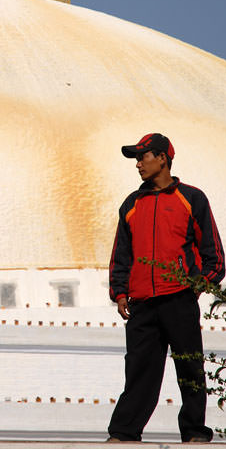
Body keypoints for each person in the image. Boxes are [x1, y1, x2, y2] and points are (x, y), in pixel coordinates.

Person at [108, 133, 225, 443]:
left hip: (179, 300)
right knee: (139, 372)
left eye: (143, 156)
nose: (137, 164)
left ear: (162, 158)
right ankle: (123, 433)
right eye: (136, 157)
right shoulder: (132, 204)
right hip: (142, 303)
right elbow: (121, 254)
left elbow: (215, 255)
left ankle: (194, 433)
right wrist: (120, 292)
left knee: (190, 368)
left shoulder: (192, 199)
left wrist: (195, 287)